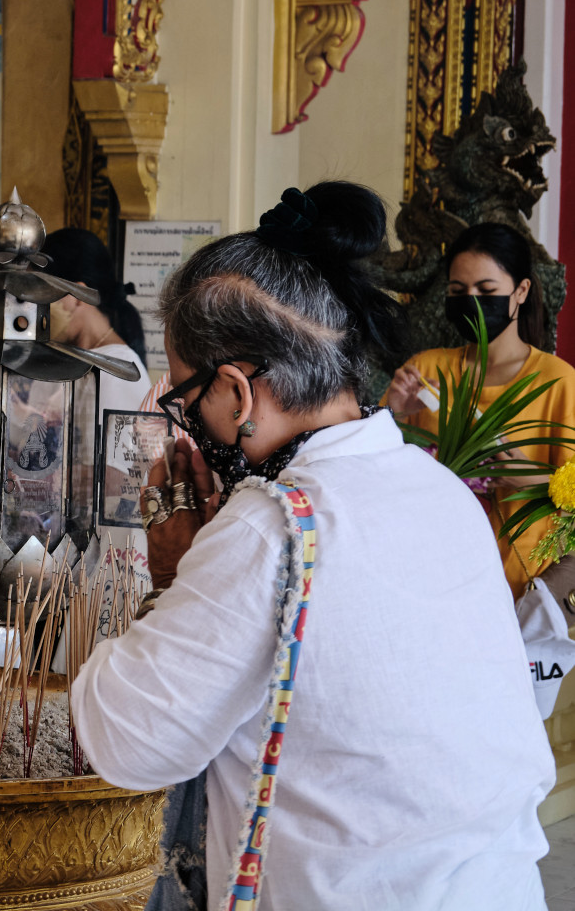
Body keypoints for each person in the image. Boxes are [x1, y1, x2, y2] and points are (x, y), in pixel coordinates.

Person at [71, 183, 553, 910]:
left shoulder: (272, 526)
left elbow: (129, 742)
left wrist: (173, 573)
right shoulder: (439, 491)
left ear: (236, 392)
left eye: (186, 398)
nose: (187, 423)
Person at [386, 221, 575, 600]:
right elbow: (370, 473)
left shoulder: (557, 381)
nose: (471, 300)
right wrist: (394, 417)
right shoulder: (424, 371)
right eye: (458, 291)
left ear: (521, 291)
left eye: (486, 291)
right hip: (429, 581)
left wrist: (531, 481)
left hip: (523, 593)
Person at [41, 228, 150, 415]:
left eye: (41, 293)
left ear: (76, 295)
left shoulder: (118, 373)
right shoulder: (66, 358)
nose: (32, 306)